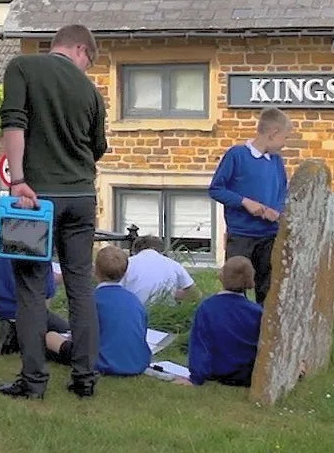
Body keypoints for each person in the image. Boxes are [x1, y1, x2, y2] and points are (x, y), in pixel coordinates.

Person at [0, 23, 110, 400]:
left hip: (33, 198)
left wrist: (18, 179)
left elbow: (14, 122)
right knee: (81, 285)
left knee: (30, 288)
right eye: (89, 61)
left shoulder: (22, 67)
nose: (86, 69)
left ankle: (33, 381)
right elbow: (97, 148)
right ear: (80, 47)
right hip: (81, 197)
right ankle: (85, 378)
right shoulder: (92, 94)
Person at [208, 106, 293, 305]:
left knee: (268, 287)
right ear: (273, 134)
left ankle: (263, 331)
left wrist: (277, 212)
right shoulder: (237, 155)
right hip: (242, 235)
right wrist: (244, 202)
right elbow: (216, 189)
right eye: (285, 138)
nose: (284, 144)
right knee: (236, 287)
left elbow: (282, 192)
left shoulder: (276, 161)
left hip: (269, 235)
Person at [0, 240, 71, 362]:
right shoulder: (39, 242)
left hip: (0, 305)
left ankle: (14, 332)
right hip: (27, 308)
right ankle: (27, 339)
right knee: (67, 333)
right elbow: (46, 290)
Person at [187, 256, 264, 387]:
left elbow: (200, 345)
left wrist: (196, 377)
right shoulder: (257, 312)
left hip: (217, 373)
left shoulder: (207, 308)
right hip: (247, 375)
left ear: (221, 276)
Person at [93, 245, 151, 377]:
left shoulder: (92, 299)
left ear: (95, 270)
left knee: (51, 337)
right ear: (125, 272)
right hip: (138, 363)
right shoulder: (134, 300)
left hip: (102, 362)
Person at [122, 236, 200, 308]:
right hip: (166, 314)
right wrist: (173, 293)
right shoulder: (173, 264)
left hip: (134, 311)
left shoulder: (127, 263)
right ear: (161, 251)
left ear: (135, 251)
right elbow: (195, 294)